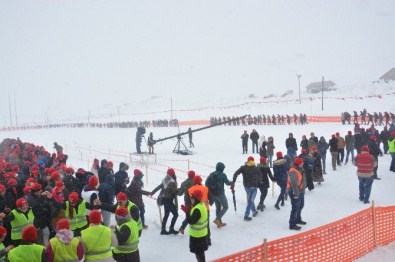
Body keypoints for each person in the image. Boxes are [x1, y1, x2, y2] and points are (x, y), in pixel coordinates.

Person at [180, 190, 209, 262]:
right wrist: (189, 211)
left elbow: (191, 221)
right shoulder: (201, 205)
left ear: (195, 199)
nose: (190, 199)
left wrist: (187, 212)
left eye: (192, 197)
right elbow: (195, 218)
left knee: (199, 253)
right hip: (202, 234)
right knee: (200, 253)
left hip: (197, 236)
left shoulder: (197, 209)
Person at [233, 156, 262, 221]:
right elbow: (260, 176)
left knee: (250, 199)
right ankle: (246, 215)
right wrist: (260, 181)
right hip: (253, 187)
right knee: (250, 201)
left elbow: (236, 173)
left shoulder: (243, 167)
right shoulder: (256, 168)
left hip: (246, 186)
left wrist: (234, 181)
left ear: (248, 161)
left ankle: (254, 211)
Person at [205, 162, 234, 228]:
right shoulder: (223, 175)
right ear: (222, 168)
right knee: (225, 207)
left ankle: (219, 223)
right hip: (220, 193)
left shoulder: (211, 174)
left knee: (218, 207)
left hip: (213, 193)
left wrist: (211, 189)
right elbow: (227, 183)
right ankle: (218, 219)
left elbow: (206, 183)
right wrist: (233, 182)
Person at [151, 168, 179, 235]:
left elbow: (159, 186)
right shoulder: (172, 182)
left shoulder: (166, 179)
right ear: (173, 174)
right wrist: (182, 189)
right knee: (175, 214)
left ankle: (163, 229)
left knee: (166, 214)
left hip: (164, 199)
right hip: (169, 200)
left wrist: (152, 192)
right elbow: (175, 191)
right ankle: (170, 228)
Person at [188, 176, 210, 245]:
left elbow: (191, 199)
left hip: (195, 209)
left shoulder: (190, 189)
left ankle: (199, 238)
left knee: (197, 225)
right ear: (200, 181)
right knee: (206, 225)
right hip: (205, 209)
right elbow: (210, 197)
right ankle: (208, 240)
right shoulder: (205, 188)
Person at [287, 157, 307, 230]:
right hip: (295, 192)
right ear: (298, 164)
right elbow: (294, 184)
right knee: (295, 208)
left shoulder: (300, 168)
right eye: (302, 162)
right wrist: (296, 194)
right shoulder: (293, 172)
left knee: (301, 206)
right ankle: (292, 224)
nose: (303, 163)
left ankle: (298, 219)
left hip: (300, 190)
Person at [177, 170, 195, 235]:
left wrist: (178, 190)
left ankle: (183, 227)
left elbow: (179, 194)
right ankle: (182, 227)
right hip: (194, 201)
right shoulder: (195, 182)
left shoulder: (183, 183)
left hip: (187, 201)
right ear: (194, 176)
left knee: (189, 214)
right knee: (193, 215)